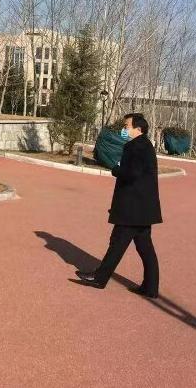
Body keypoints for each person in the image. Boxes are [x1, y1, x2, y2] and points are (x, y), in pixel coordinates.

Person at [75, 113, 162, 298]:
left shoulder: (135, 146)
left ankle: (99, 278)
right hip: (143, 208)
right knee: (145, 248)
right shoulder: (146, 145)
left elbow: (132, 174)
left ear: (138, 129)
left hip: (133, 208)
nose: (124, 130)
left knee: (117, 243)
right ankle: (151, 287)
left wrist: (115, 169)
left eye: (126, 126)